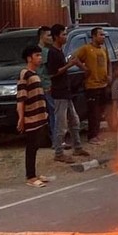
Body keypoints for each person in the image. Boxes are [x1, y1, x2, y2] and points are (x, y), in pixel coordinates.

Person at [47, 24, 86, 163]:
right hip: (60, 93)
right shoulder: (53, 53)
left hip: (66, 92)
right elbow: (53, 73)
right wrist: (69, 65)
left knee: (74, 121)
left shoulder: (60, 51)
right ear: (56, 36)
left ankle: (77, 147)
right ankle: (58, 152)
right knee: (61, 124)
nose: (65, 37)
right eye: (63, 34)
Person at [17, 45, 51, 188]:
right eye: (37, 55)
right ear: (29, 58)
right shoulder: (25, 74)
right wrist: (21, 118)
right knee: (31, 147)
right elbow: (21, 99)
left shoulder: (35, 74)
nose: (40, 58)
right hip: (31, 117)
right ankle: (30, 176)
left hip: (39, 116)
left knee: (36, 145)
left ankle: (34, 174)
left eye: (40, 55)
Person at [75, 27, 111, 145]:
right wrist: (84, 68)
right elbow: (73, 58)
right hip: (92, 86)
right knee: (93, 112)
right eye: (101, 35)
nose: (103, 37)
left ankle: (96, 134)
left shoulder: (104, 49)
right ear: (94, 36)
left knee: (100, 112)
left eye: (104, 35)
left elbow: (109, 63)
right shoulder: (86, 49)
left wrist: (109, 75)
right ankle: (91, 136)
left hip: (103, 84)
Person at [36, 26, 54, 145]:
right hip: (46, 86)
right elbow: (49, 70)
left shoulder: (37, 51)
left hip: (40, 86)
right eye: (48, 35)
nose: (51, 38)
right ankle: (55, 139)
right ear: (42, 36)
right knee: (53, 112)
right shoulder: (45, 52)